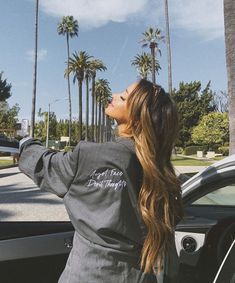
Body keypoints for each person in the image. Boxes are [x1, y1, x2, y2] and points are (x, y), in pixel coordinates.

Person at [19, 79, 183, 283]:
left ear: (137, 119)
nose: (114, 95)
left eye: (123, 96)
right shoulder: (165, 173)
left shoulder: (92, 155)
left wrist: (25, 143)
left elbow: (45, 165)